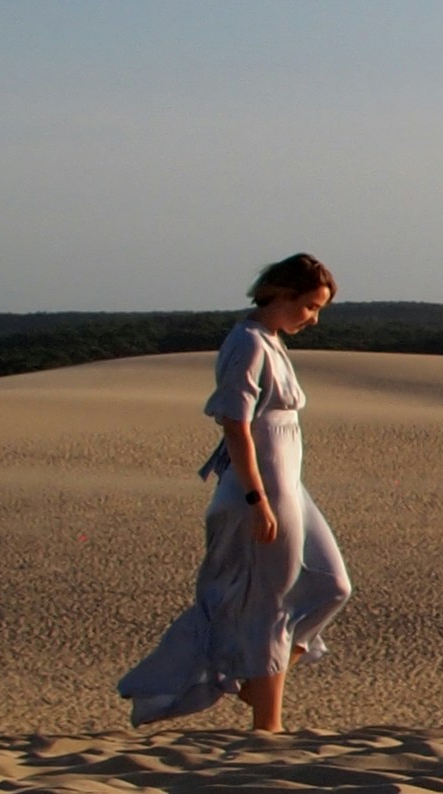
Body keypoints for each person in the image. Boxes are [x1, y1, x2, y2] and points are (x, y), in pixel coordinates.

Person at [118, 255, 354, 731]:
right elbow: (235, 425)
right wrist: (257, 500)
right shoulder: (246, 343)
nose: (313, 319)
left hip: (288, 487)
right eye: (308, 306)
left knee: (331, 586)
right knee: (269, 605)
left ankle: (258, 681)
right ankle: (268, 726)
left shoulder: (271, 341)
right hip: (261, 490)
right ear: (280, 294)